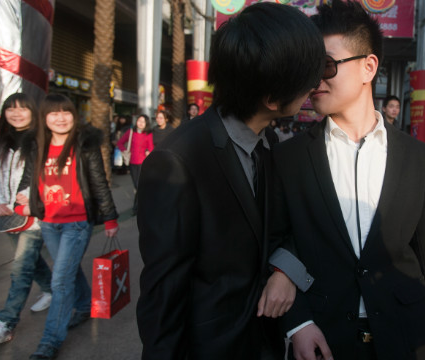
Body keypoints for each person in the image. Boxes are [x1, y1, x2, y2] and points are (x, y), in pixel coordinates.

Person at [269, 1, 425, 359]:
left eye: (325, 65)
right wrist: (297, 322)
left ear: (368, 67)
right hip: (322, 337)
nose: (315, 80)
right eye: (309, 68)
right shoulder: (289, 157)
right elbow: (274, 241)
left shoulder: (415, 157)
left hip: (406, 335)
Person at [135, 3, 325, 359]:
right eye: (307, 79)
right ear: (271, 98)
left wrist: (285, 272)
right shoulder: (177, 162)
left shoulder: (266, 142)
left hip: (261, 340)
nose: (314, 87)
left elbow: (277, 230)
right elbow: (162, 297)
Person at [15, 94, 119, 359]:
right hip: (49, 223)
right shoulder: (37, 145)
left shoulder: (84, 145)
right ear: (44, 118)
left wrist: (110, 217)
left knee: (60, 280)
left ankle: (50, 341)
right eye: (53, 113)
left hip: (77, 223)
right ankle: (85, 305)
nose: (60, 118)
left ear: (74, 116)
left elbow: (98, 182)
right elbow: (28, 181)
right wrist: (20, 204)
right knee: (68, 272)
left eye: (66, 112)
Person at [0, 93, 53, 344]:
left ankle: (6, 323)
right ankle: (51, 289)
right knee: (30, 262)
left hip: (33, 215)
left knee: (20, 269)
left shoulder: (42, 138)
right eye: (11, 109)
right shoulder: (1, 141)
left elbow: (44, 173)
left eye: (22, 108)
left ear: (33, 112)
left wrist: (27, 196)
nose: (16, 113)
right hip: (8, 215)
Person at [117, 114, 154, 215]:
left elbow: (150, 147)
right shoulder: (131, 132)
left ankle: (136, 208)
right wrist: (125, 151)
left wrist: (148, 151)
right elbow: (120, 143)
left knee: (139, 185)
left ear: (146, 123)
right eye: (139, 121)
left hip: (143, 163)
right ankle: (143, 204)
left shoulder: (148, 134)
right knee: (137, 186)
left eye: (143, 121)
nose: (141, 123)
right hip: (132, 163)